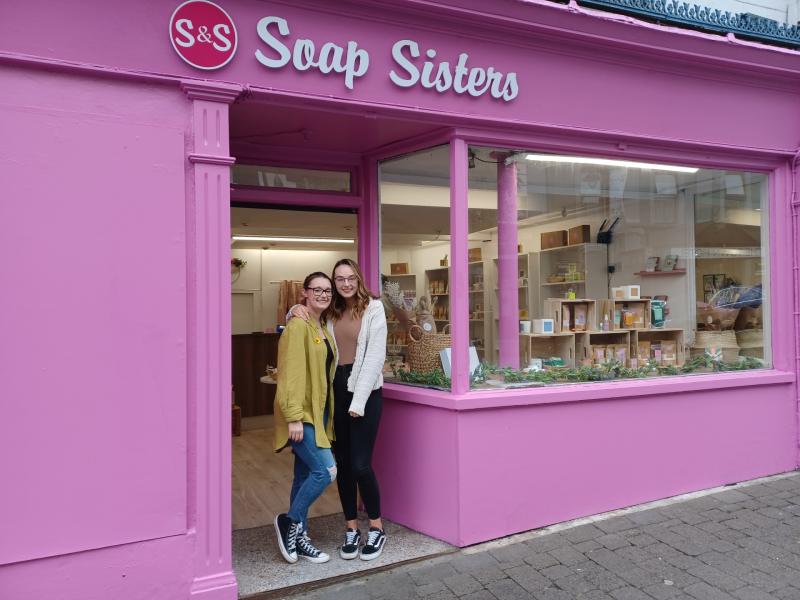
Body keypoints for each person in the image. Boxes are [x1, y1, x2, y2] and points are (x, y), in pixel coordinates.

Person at [290, 259, 388, 561]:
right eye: (339, 280)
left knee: (360, 464)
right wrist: (293, 310)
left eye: (350, 278)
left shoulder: (374, 308)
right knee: (342, 464)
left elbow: (373, 357)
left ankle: (376, 527)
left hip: (366, 392)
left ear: (358, 278)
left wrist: (357, 402)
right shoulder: (331, 312)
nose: (345, 284)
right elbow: (305, 321)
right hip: (336, 391)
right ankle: (350, 529)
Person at [273, 272, 338, 564]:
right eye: (317, 290)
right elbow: (291, 374)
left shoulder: (321, 323)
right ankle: (290, 521)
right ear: (305, 293)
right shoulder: (297, 325)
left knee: (303, 476)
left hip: (320, 412)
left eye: (328, 290)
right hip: (302, 414)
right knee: (325, 471)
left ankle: (300, 538)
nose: (323, 295)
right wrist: (294, 417)